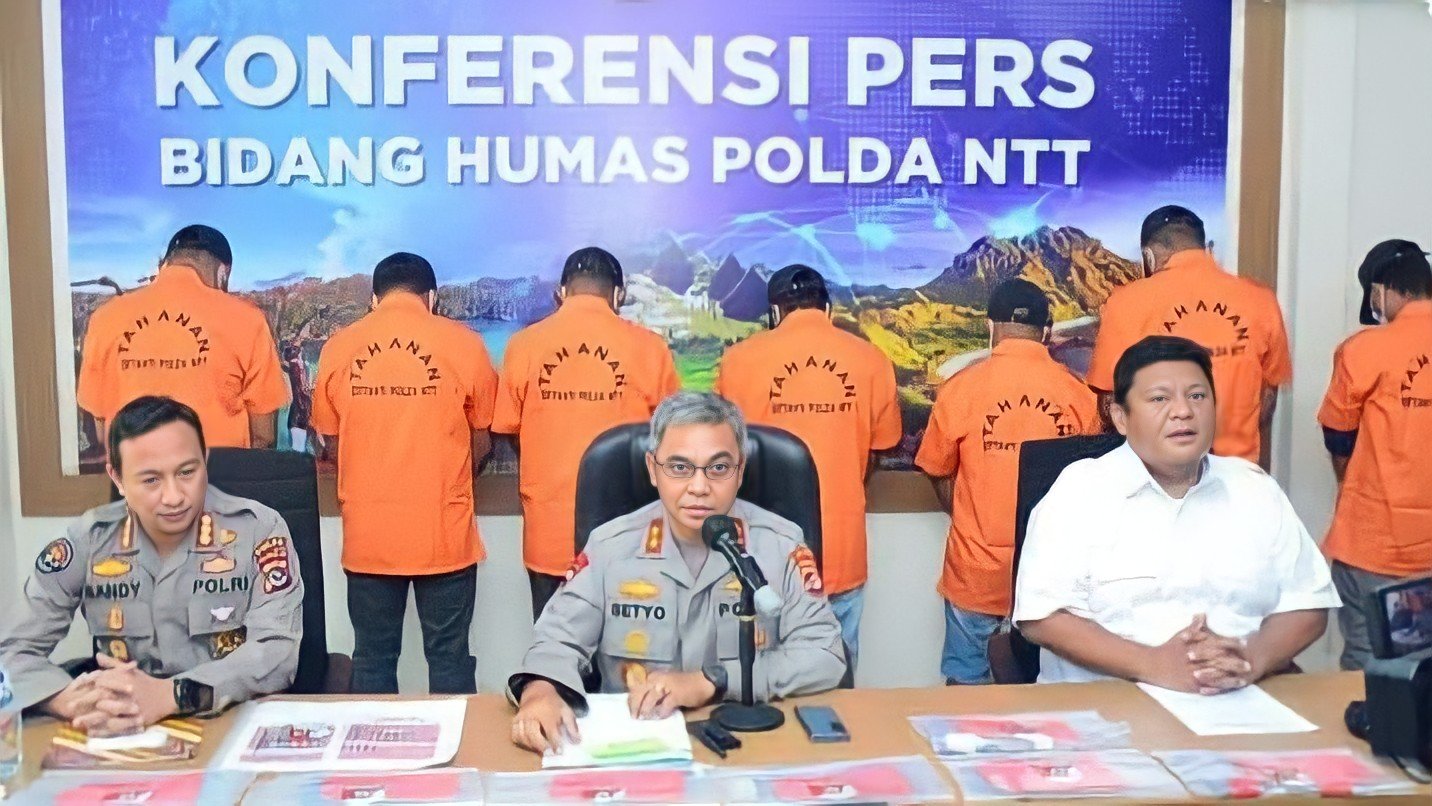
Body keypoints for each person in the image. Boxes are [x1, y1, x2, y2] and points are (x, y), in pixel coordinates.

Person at [507, 392, 845, 754]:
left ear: (740, 470)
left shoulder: (781, 545)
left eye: (718, 468)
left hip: (748, 742)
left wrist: (712, 681)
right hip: (635, 744)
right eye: (680, 468)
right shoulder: (609, 548)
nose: (699, 487)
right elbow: (557, 641)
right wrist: (539, 691)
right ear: (653, 469)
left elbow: (824, 654)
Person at [1014, 336, 1339, 690]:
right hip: (1109, 705)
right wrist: (1151, 664)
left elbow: (1308, 602)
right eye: (1160, 399)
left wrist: (1249, 659)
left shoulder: (1254, 489)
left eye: (1197, 396)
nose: (1183, 411)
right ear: (1121, 417)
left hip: (1237, 700)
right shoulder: (1079, 491)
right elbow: (1040, 616)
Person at [0, 396, 303, 732]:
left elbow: (276, 653)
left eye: (187, 472)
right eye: (151, 480)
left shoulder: (258, 528)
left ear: (204, 460)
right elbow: (11, 651)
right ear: (118, 478)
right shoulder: (89, 539)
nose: (174, 497)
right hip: (120, 730)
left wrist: (171, 695)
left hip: (225, 721)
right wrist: (63, 699)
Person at [312, 252, 498, 695]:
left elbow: (331, 442)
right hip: (443, 533)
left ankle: (373, 743)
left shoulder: (339, 347)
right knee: (450, 660)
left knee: (372, 660)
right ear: (431, 297)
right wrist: (449, 479)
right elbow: (483, 438)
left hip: (369, 537)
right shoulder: (466, 344)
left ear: (374, 299)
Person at [714, 264, 900, 669]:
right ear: (827, 309)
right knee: (837, 674)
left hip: (760, 554)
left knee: (759, 675)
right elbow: (881, 449)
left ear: (775, 313)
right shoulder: (871, 360)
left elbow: (721, 455)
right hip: (841, 548)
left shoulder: (738, 360)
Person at [915, 279, 1099, 685]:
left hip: (975, 571)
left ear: (990, 327)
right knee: (1041, 692)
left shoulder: (961, 389)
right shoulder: (1078, 394)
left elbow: (936, 468)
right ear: (1045, 331)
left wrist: (965, 513)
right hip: (1051, 577)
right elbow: (1091, 484)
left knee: (967, 685)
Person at [493, 247, 679, 621]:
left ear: (561, 293)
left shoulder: (524, 344)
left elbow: (508, 429)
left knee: (554, 646)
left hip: (549, 530)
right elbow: (673, 439)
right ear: (619, 295)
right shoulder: (650, 348)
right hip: (629, 532)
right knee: (627, 647)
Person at [1087, 206, 1291, 468]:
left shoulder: (1126, 302)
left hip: (1156, 472)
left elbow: (1108, 401)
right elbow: (1268, 395)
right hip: (1237, 472)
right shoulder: (1261, 299)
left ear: (1148, 256)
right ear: (1203, 247)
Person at [1317, 240, 1432, 669]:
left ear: (1381, 292)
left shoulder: (1364, 349)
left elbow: (1338, 435)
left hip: (1377, 544)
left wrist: (1347, 481)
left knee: (1371, 665)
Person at [77, 225, 289, 450]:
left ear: (165, 264)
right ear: (222, 273)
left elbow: (100, 424)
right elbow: (264, 435)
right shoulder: (247, 320)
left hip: (135, 468)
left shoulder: (106, 318)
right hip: (218, 470)